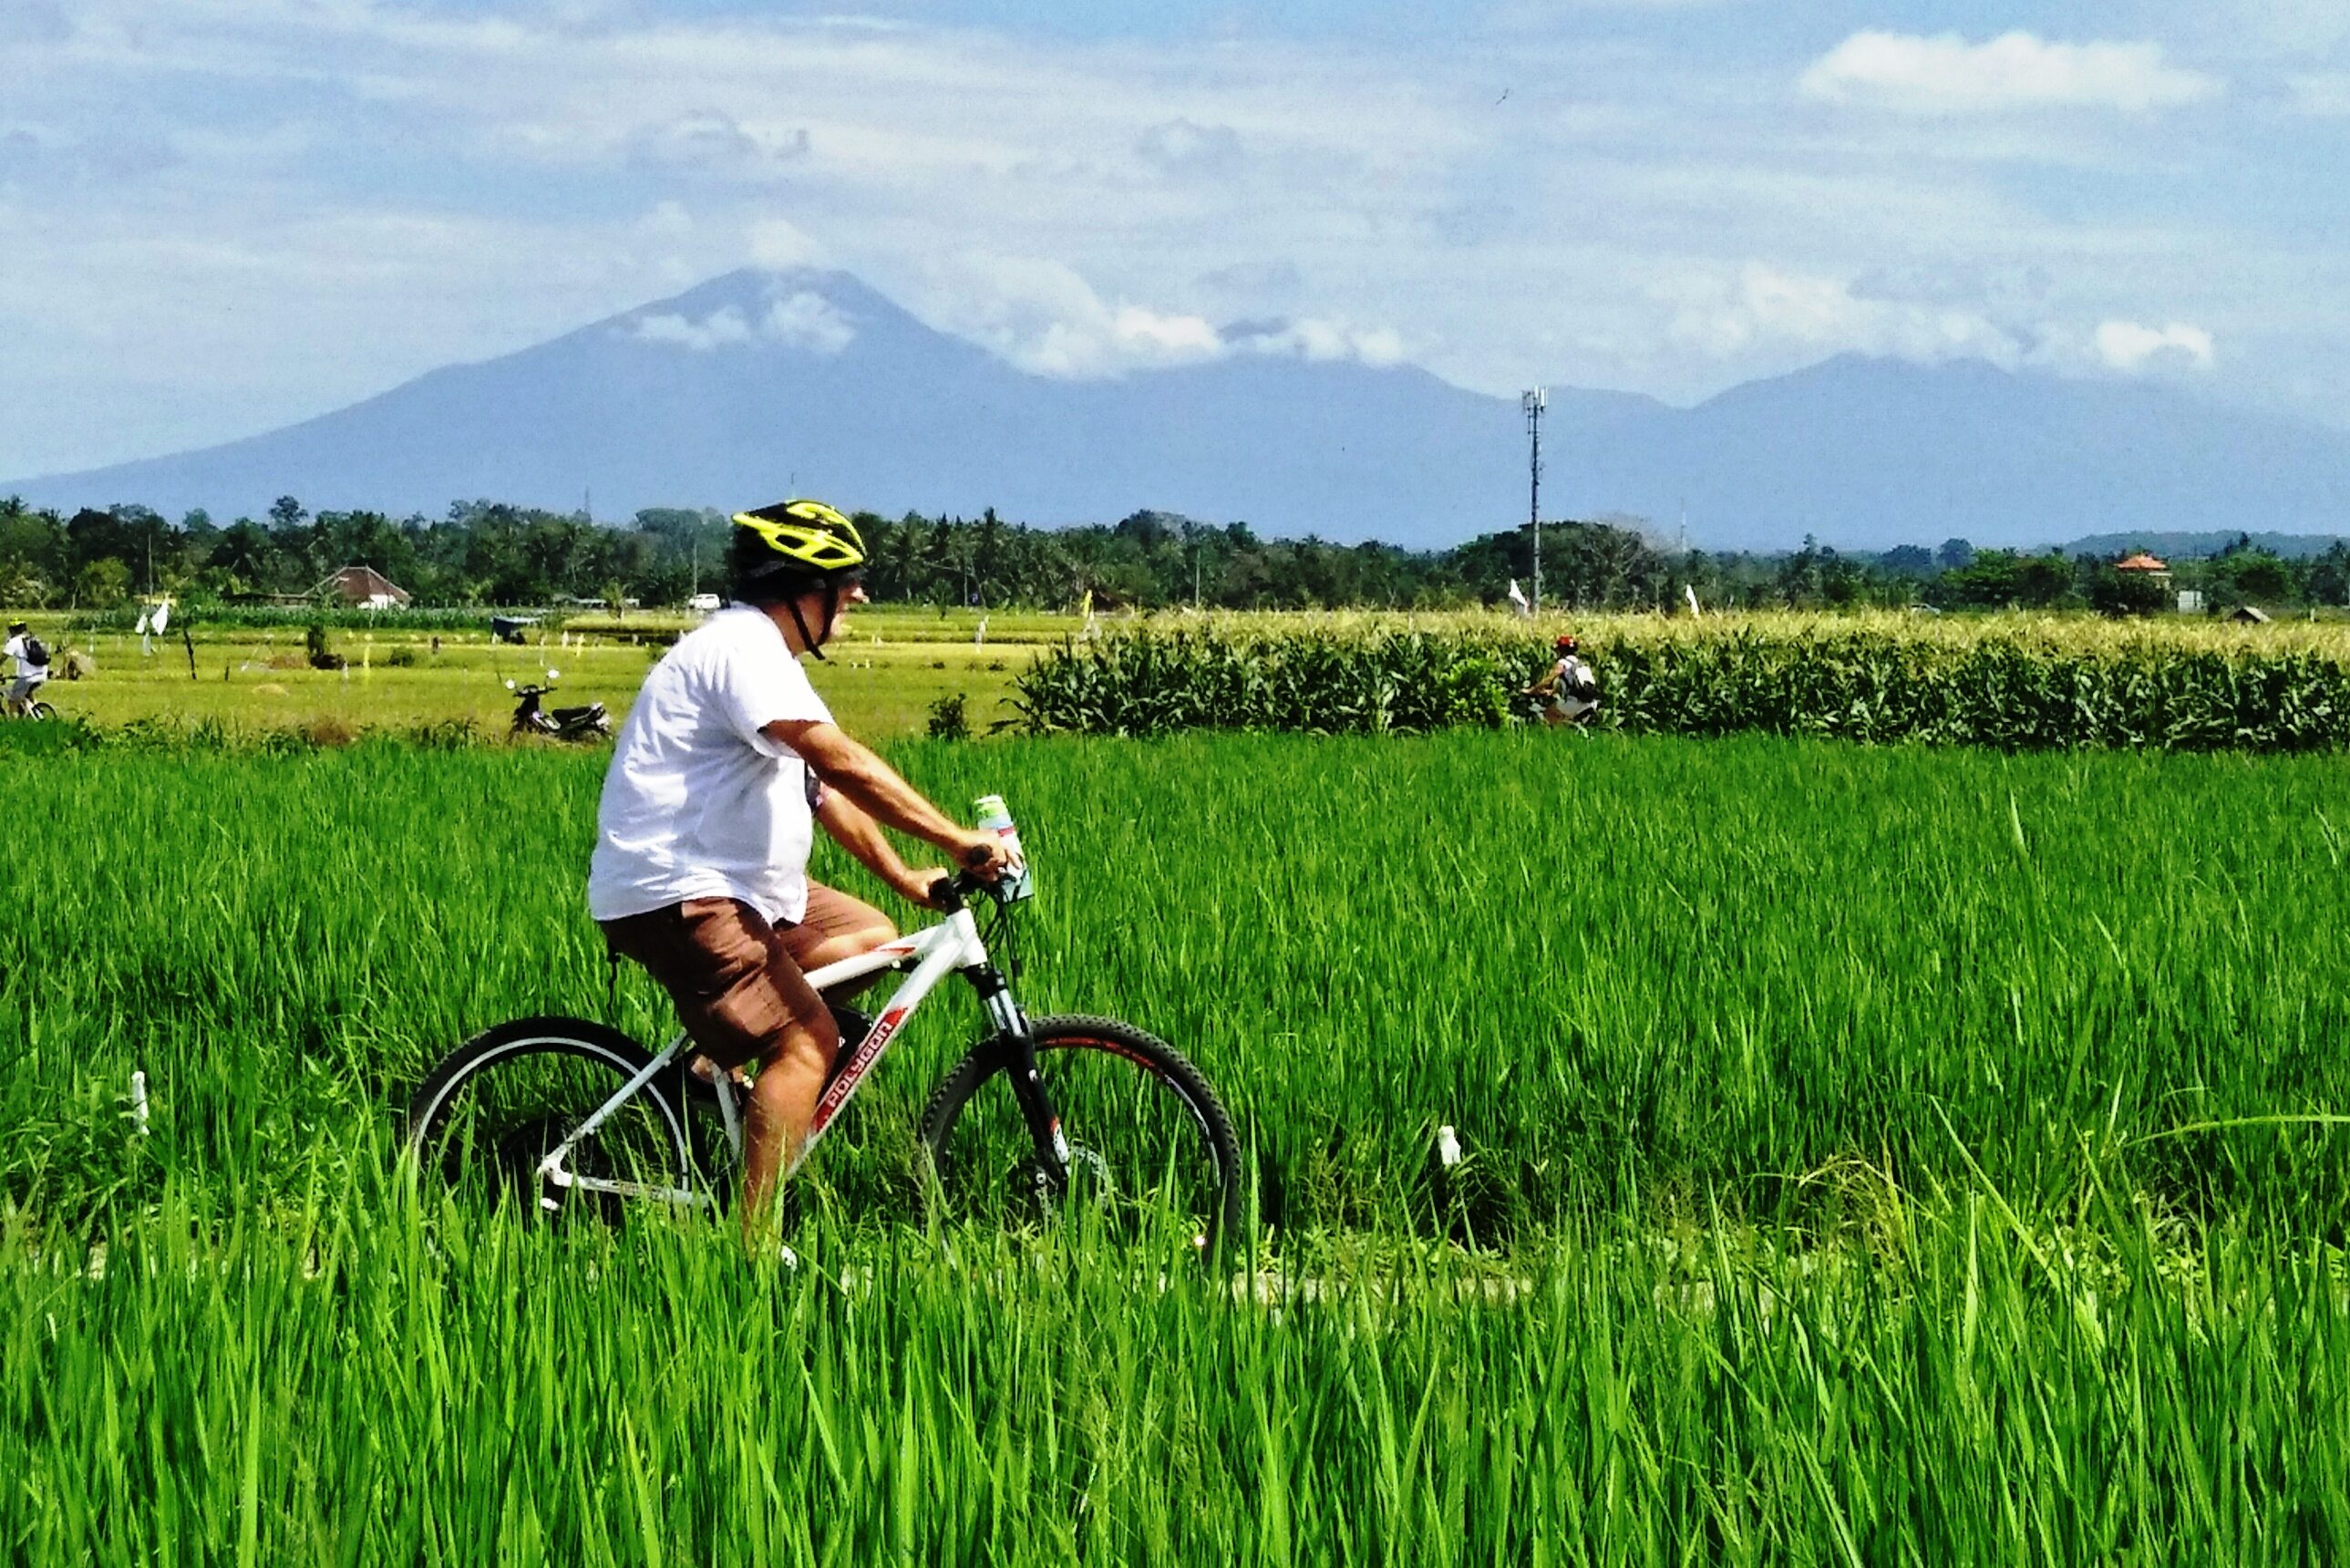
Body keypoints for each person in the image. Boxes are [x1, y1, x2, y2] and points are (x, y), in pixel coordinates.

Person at [588, 499, 1012, 1240]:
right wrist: (954, 838)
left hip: (735, 885)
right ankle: (747, 1254)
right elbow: (839, 760)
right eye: (842, 580)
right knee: (808, 1040)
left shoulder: (766, 660)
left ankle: (717, 1067)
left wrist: (907, 877)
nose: (856, 594)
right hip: (682, 890)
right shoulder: (742, 651)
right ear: (796, 586)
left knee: (876, 938)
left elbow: (819, 793)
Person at [1523, 633, 1599, 727]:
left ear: (1561, 650)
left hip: (1575, 703)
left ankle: (1557, 736)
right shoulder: (1581, 664)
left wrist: (1532, 690)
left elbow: (1549, 679)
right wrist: (1552, 692)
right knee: (1566, 721)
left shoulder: (1563, 662)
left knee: (1548, 713)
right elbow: (1572, 684)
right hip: (1591, 703)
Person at [5, 621, 51, 713]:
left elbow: (3, 658)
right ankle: (37, 711)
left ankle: (14, 726)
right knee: (28, 694)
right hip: (42, 673)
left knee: (12, 701)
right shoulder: (31, 639)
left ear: (11, 631)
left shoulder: (13, 642)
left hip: (28, 677)